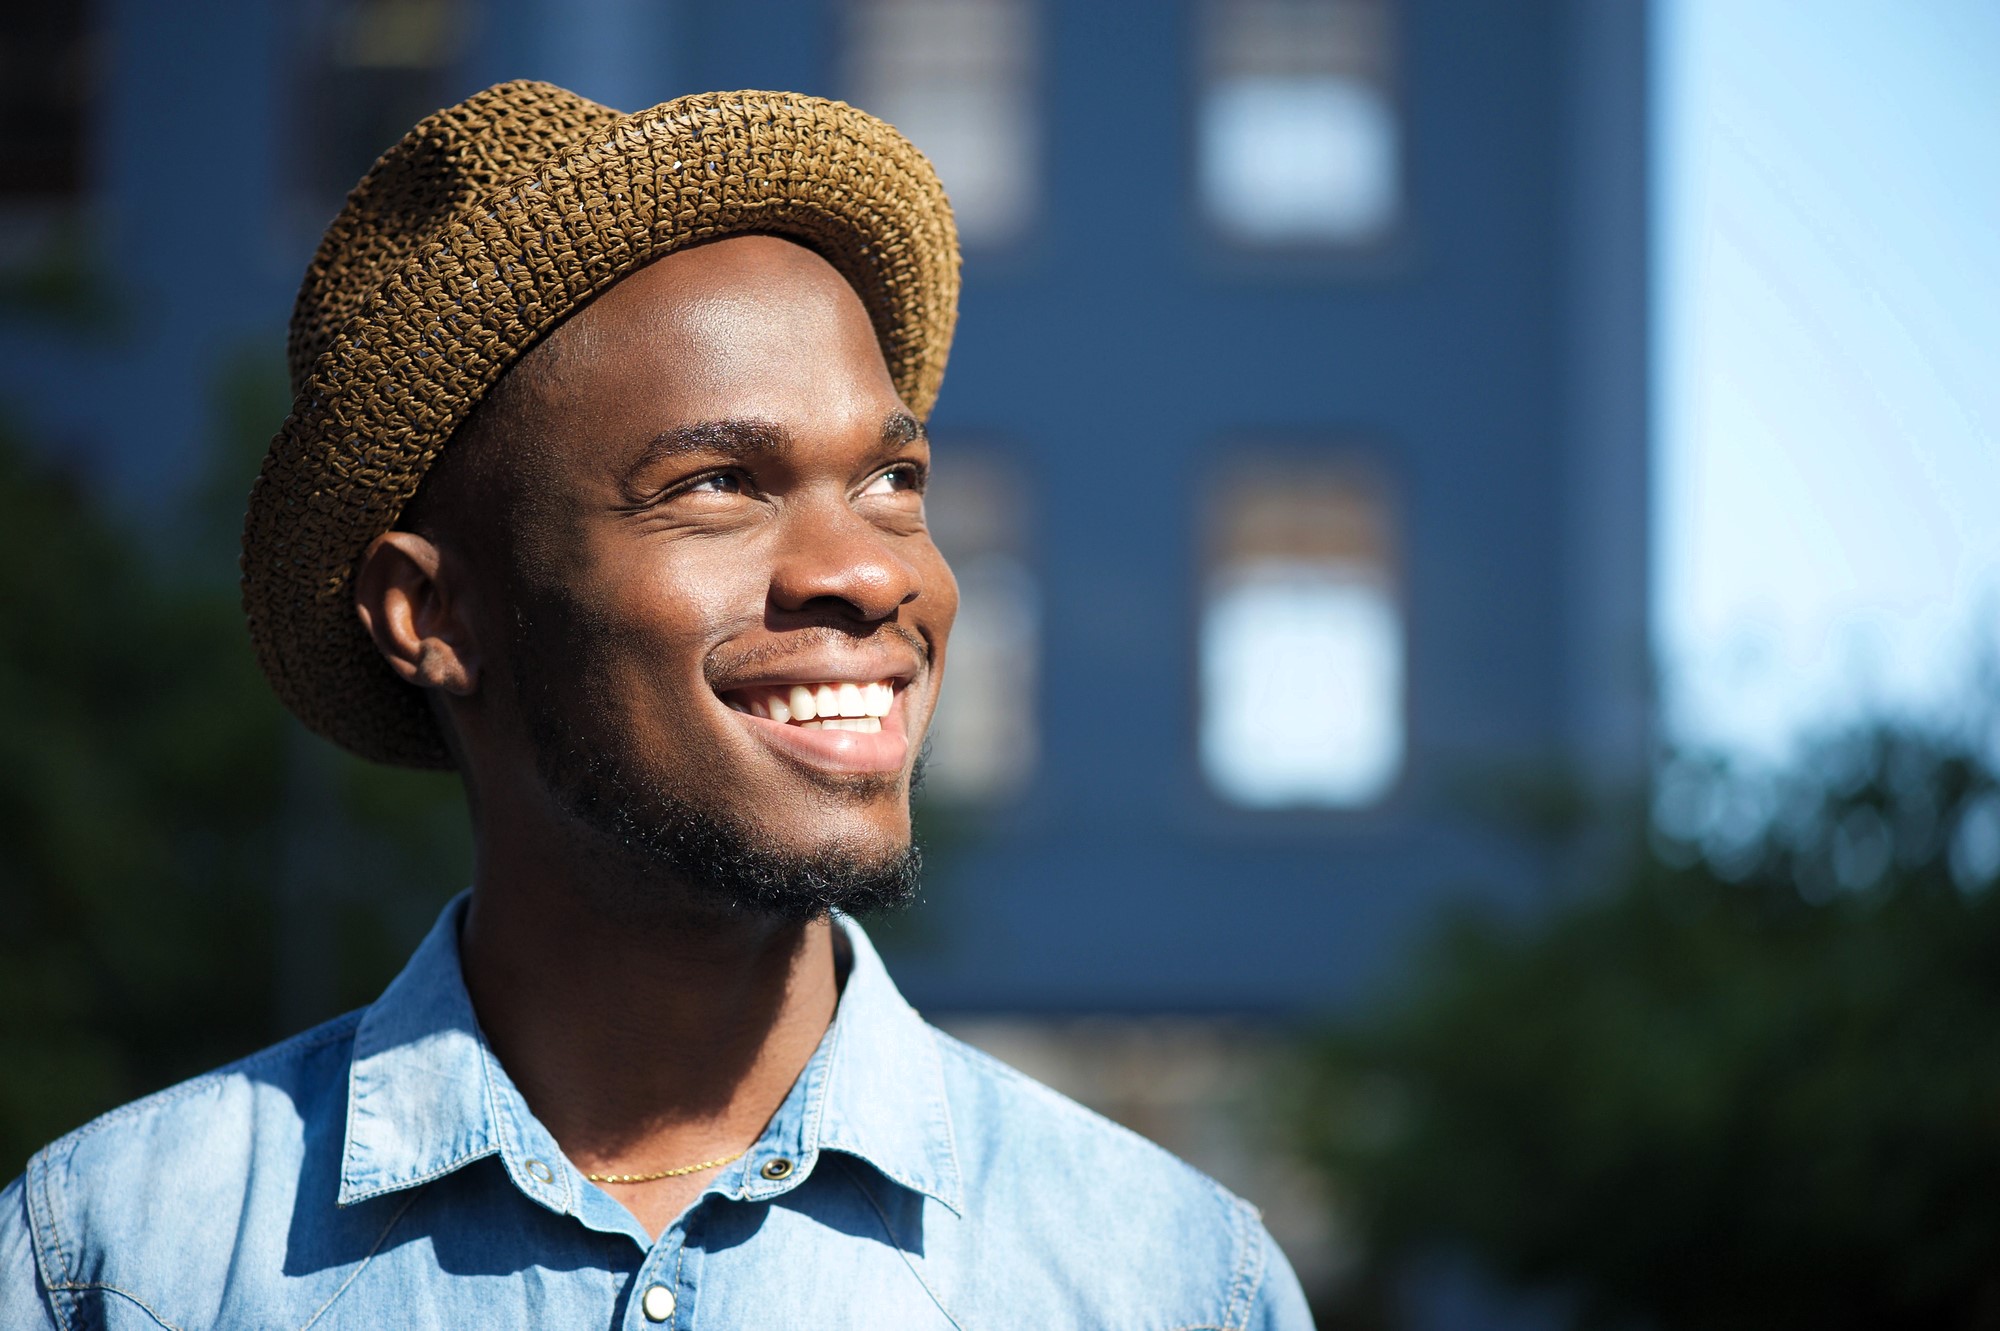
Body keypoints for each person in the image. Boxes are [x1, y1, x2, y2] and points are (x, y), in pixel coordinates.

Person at [0, 82, 1313, 1328]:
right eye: (717, 485)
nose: (869, 571)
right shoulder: (123, 1269)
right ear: (432, 617)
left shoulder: (1178, 1287)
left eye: (892, 477)